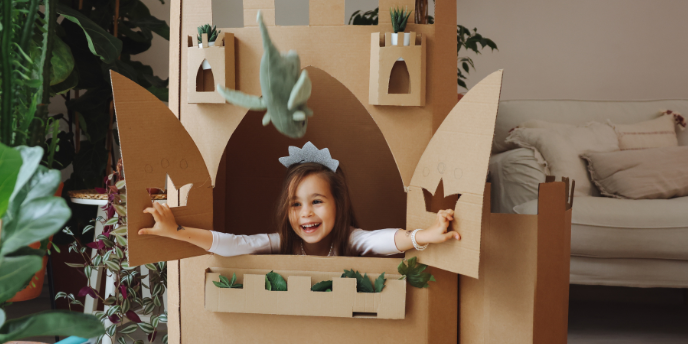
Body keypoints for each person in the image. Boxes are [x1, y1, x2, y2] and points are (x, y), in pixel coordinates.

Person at [138, 142, 460, 257]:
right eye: (295, 204)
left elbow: (386, 240)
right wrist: (176, 232)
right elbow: (235, 244)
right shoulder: (284, 243)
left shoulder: (350, 240)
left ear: (338, 203)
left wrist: (426, 236)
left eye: (316, 201)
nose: (305, 213)